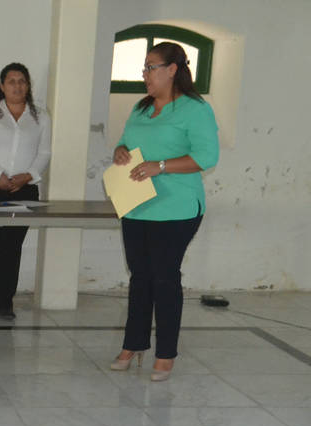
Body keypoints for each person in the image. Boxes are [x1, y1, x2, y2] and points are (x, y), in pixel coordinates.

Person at [109, 41, 219, 382]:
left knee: (164, 278)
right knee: (139, 276)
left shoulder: (195, 109)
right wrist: (120, 152)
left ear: (172, 70)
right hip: (137, 205)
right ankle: (133, 344)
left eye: (150, 67)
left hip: (177, 208)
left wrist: (161, 166)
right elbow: (124, 142)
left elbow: (206, 157)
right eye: (144, 68)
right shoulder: (141, 109)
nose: (145, 75)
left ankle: (166, 353)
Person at [0, 62, 52, 320]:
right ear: (2, 86)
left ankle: (5, 302)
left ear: (28, 86)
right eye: (12, 81)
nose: (17, 86)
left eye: (22, 81)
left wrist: (28, 176)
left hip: (24, 190)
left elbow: (45, 152)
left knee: (12, 247)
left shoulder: (41, 116)